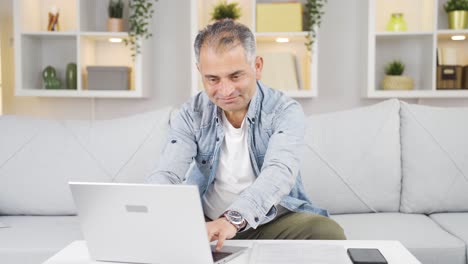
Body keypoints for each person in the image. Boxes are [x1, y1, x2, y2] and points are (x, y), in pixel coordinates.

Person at [146, 19, 346, 251]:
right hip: (207, 223)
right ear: (200, 71)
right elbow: (167, 173)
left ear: (257, 67)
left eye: (235, 76)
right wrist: (149, 209)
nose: (226, 90)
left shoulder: (284, 110)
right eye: (213, 79)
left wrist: (234, 219)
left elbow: (279, 171)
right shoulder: (191, 114)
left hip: (265, 221)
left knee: (327, 233)